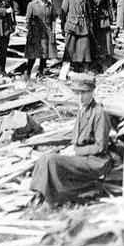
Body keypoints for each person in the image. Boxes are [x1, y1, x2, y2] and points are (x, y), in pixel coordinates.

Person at [30, 73, 113, 207]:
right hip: (83, 156)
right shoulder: (82, 110)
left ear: (92, 91)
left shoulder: (99, 113)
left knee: (50, 161)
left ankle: (54, 199)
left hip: (96, 160)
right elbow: (78, 138)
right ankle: (39, 195)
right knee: (43, 159)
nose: (80, 97)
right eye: (77, 93)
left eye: (84, 93)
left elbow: (101, 146)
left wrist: (75, 152)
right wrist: (70, 149)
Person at [24, 0, 57, 80]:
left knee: (44, 52)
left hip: (46, 30)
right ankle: (28, 72)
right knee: (33, 53)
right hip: (35, 31)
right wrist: (29, 31)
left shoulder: (49, 5)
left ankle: (41, 72)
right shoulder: (32, 5)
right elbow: (28, 19)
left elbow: (53, 18)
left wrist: (53, 31)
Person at [61, 0, 93, 71]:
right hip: (72, 25)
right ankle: (71, 66)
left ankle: (83, 66)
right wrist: (63, 27)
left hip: (83, 25)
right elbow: (63, 14)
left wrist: (89, 23)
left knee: (84, 47)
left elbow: (88, 12)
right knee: (71, 47)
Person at [87, 0, 114, 70]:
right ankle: (93, 61)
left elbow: (109, 4)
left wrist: (111, 17)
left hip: (102, 18)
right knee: (93, 39)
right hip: (91, 19)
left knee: (104, 39)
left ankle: (105, 61)